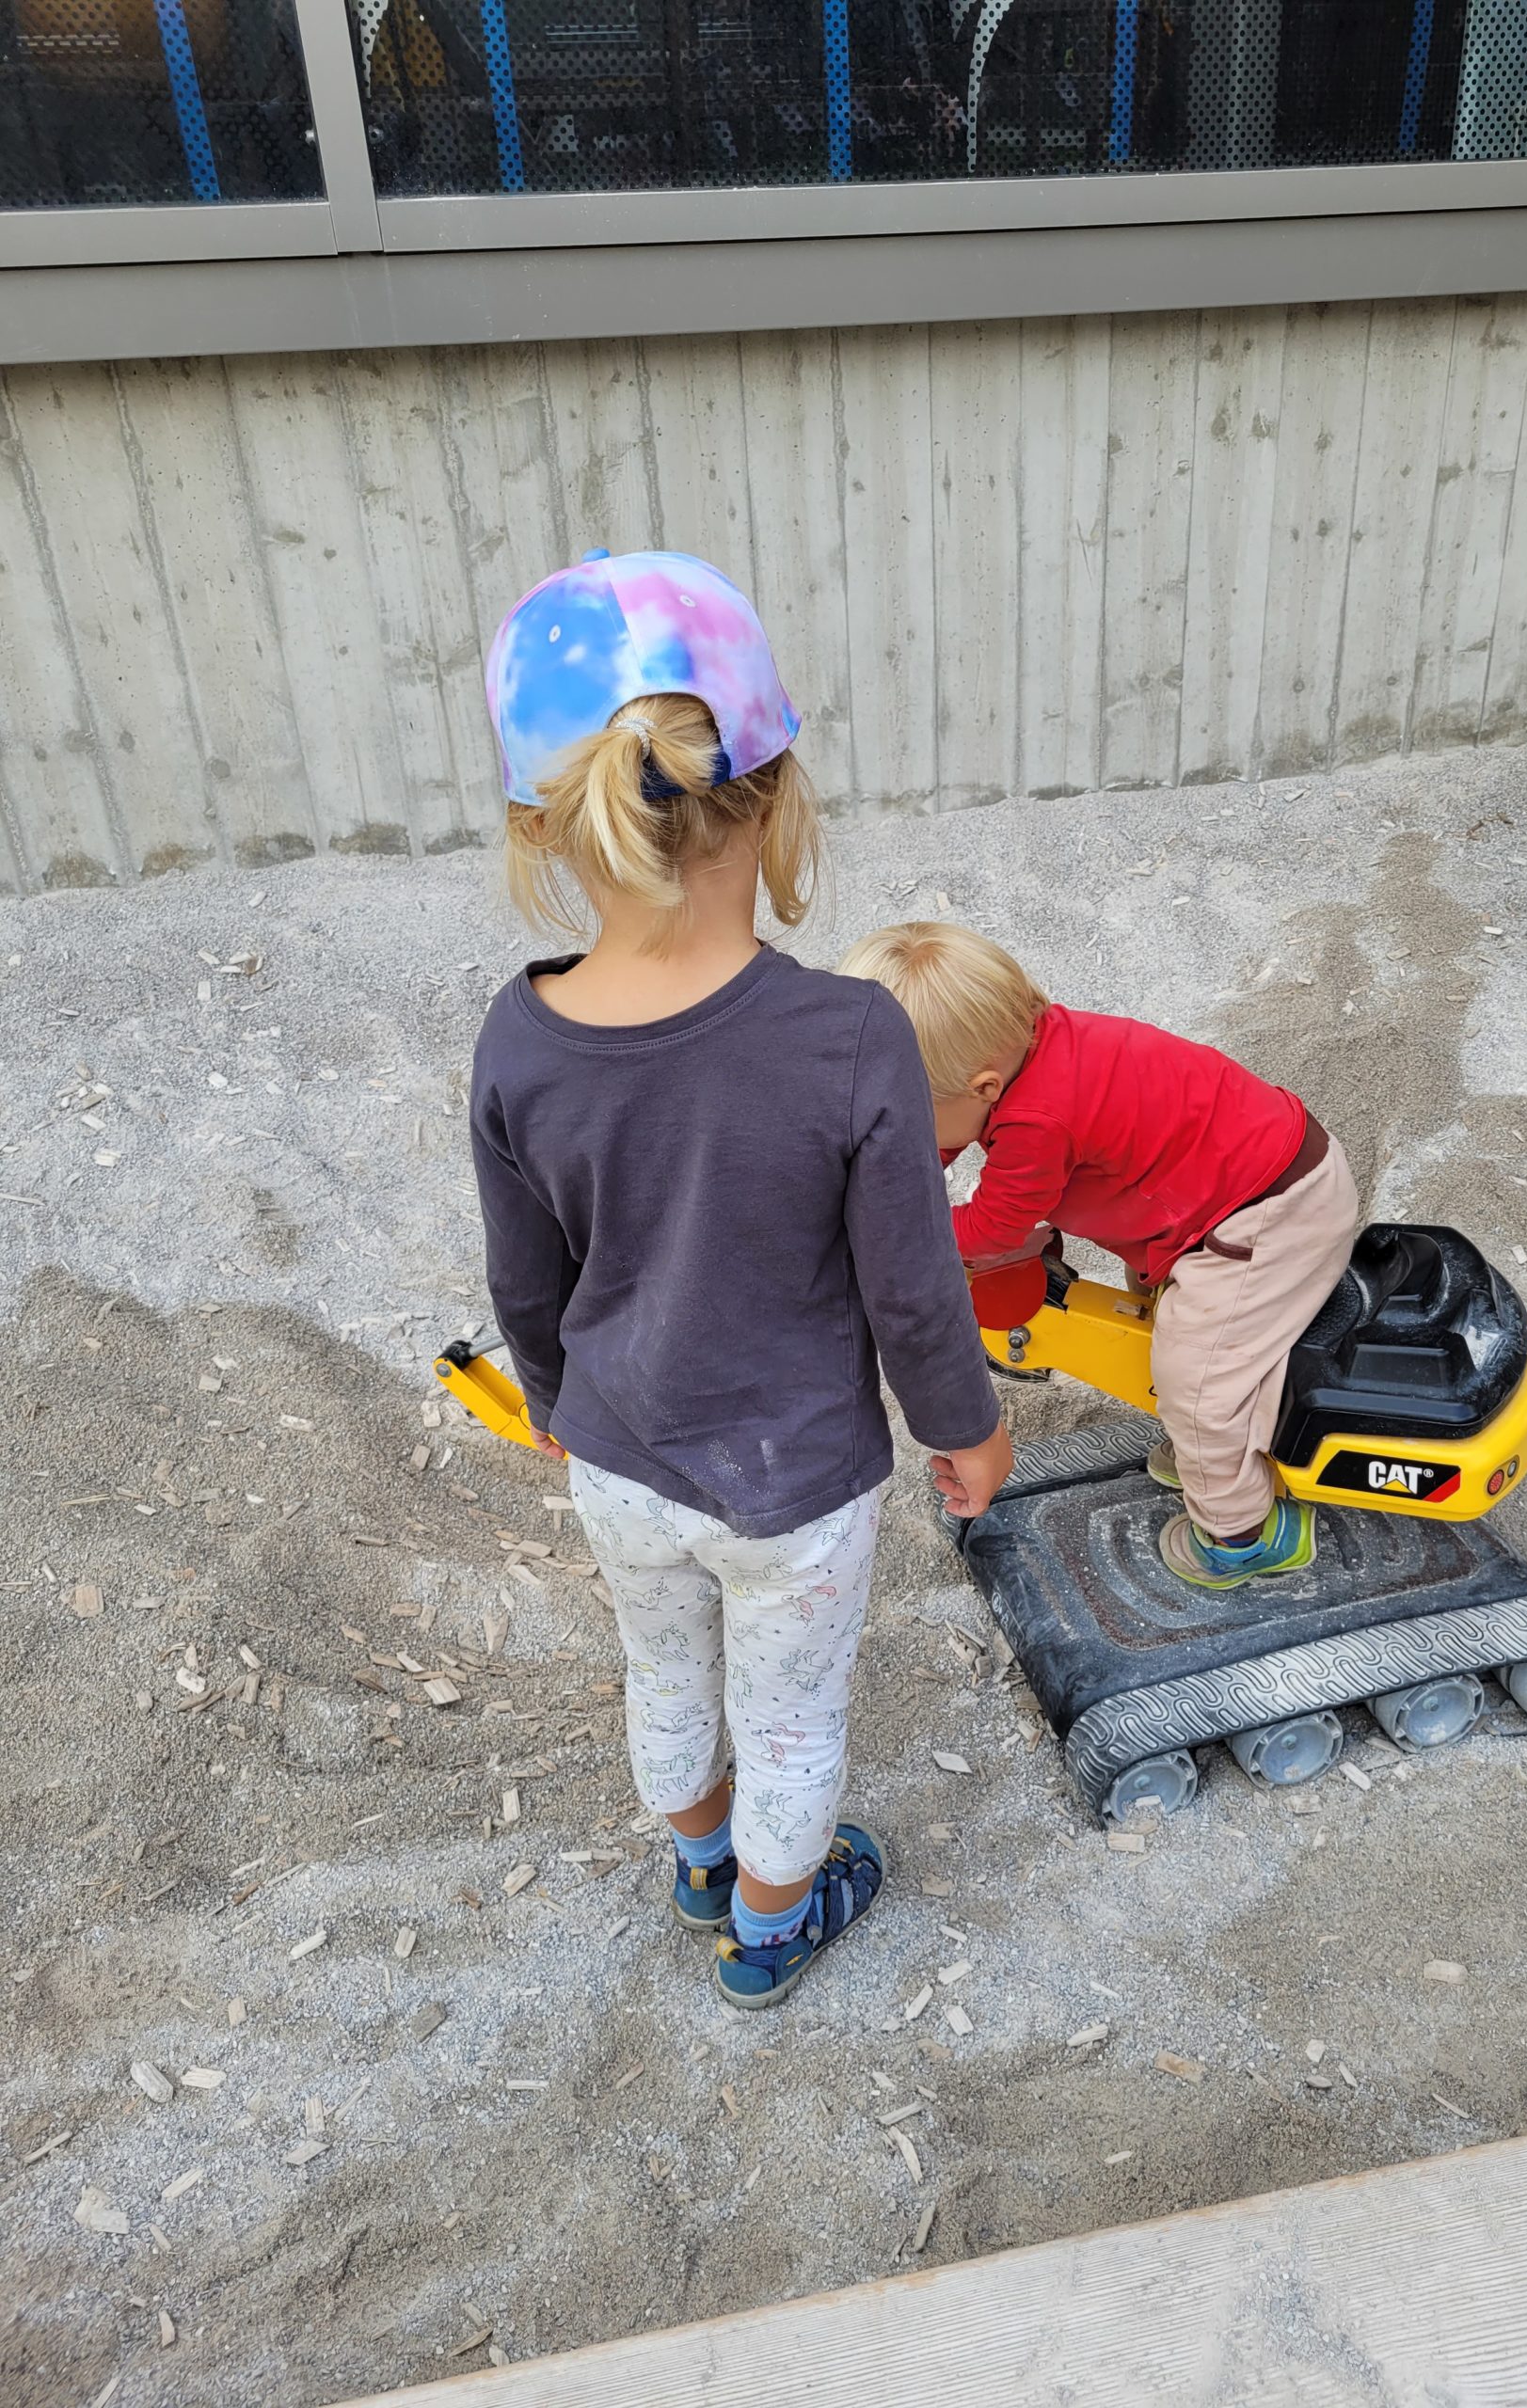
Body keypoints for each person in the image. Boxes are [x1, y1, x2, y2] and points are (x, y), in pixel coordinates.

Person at [471, 550, 1012, 2008]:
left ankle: (699, 1864)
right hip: (797, 1485)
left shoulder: (519, 1043)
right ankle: (771, 1929)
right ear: (771, 794)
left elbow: (527, 1282)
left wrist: (551, 1400)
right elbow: (912, 1291)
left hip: (622, 1459)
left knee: (666, 1676)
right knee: (789, 1720)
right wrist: (965, 1425)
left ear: (548, 822)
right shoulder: (850, 1038)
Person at [838, 922, 1359, 1590]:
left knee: (1198, 1381)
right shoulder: (1025, 1046)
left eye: (907, 1113)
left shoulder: (1036, 1122)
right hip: (1233, 1184)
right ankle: (1215, 1454)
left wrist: (904, 1229)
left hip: (1267, 1222)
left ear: (986, 1087)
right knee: (1156, 1323)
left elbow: (996, 1228)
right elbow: (939, 1139)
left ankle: (1247, 1535)